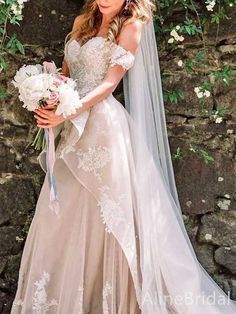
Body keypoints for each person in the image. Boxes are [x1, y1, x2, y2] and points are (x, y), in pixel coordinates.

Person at [10, 0, 236, 313]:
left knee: (109, 215)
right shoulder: (82, 21)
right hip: (71, 127)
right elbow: (66, 75)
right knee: (60, 214)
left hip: (102, 128)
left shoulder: (133, 24)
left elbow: (109, 83)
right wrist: (50, 96)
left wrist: (69, 110)